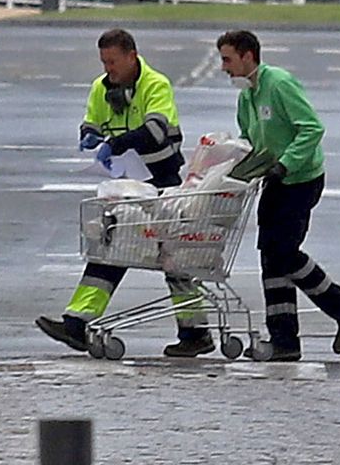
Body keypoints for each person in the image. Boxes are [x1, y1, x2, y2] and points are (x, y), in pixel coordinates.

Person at [38, 28, 214, 357]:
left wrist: (115, 144)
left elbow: (156, 132)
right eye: (104, 62)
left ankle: (194, 331)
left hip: (162, 182)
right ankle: (80, 321)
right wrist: (89, 136)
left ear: (132, 56)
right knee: (116, 245)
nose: (108, 69)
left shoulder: (155, 85)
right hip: (127, 182)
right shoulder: (100, 88)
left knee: (169, 255)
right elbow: (91, 121)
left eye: (113, 62)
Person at [217, 29, 340, 361]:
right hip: (274, 181)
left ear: (247, 56)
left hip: (300, 179)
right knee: (270, 257)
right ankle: (284, 341)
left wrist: (285, 165)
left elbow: (311, 128)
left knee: (282, 251)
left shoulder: (279, 84)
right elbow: (249, 141)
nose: (224, 67)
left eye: (227, 59)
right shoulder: (246, 97)